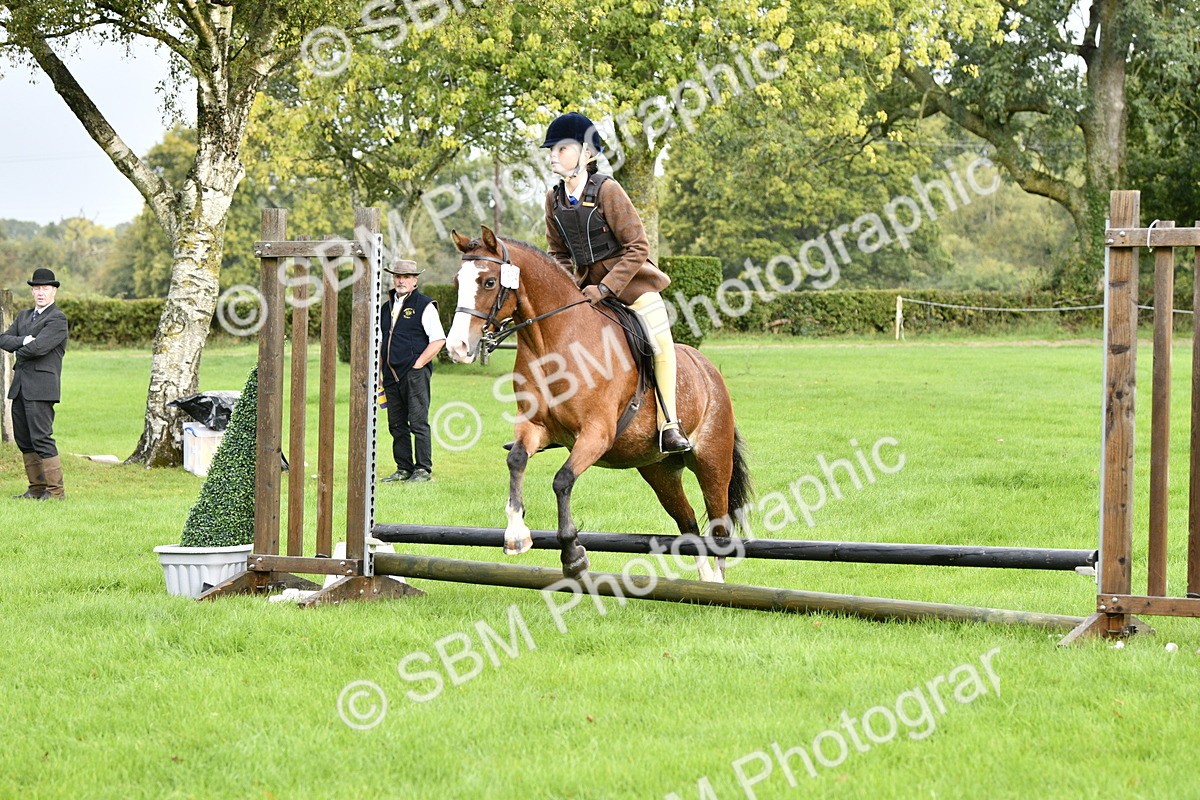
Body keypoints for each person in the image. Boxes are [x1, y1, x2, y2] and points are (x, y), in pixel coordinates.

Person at [541, 111, 691, 453]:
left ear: (586, 153)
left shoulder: (608, 190)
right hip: (586, 292)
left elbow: (638, 246)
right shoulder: (553, 199)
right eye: (551, 150)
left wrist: (606, 288)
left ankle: (669, 424)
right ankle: (553, 424)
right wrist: (570, 289)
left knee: (660, 342)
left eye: (562, 148)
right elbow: (557, 253)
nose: (553, 155)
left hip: (633, 288)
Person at [1, 268, 69, 499]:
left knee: (41, 438)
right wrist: (24, 340)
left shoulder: (57, 319)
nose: (40, 292)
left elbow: (38, 348)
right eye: (37, 288)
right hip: (20, 387)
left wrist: (19, 347)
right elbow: (3, 339)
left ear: (54, 291)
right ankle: (37, 489)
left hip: (41, 388)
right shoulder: (23, 316)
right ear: (32, 291)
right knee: (24, 439)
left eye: (45, 288)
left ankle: (55, 492)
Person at [379, 259, 446, 483]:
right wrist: (379, 372)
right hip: (390, 375)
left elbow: (438, 340)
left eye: (406, 277)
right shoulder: (386, 307)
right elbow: (382, 342)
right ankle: (403, 468)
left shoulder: (424, 305)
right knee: (396, 424)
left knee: (418, 422)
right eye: (397, 276)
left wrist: (418, 365)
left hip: (414, 373)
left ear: (415, 280)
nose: (401, 281)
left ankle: (423, 469)